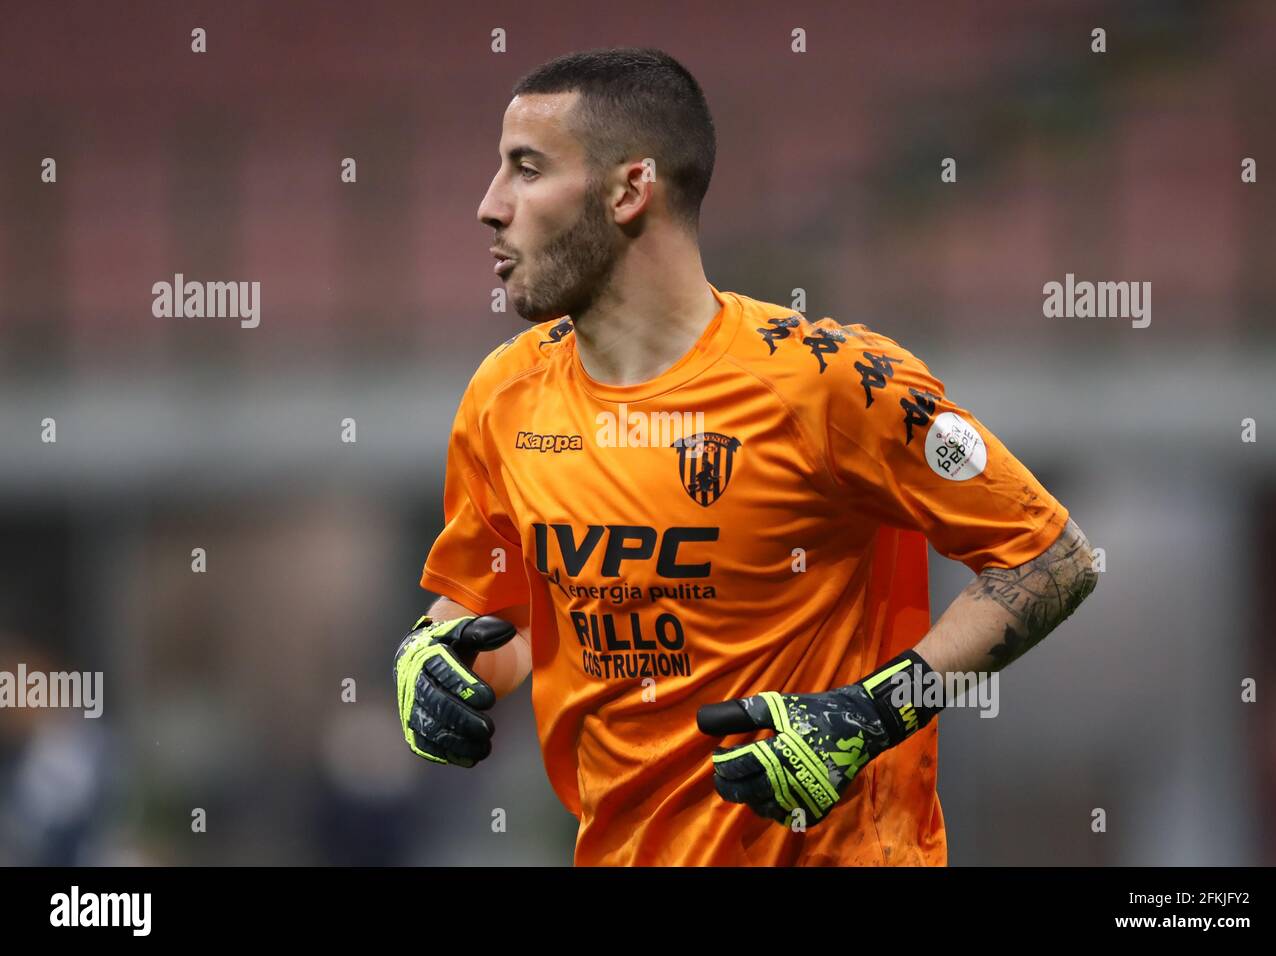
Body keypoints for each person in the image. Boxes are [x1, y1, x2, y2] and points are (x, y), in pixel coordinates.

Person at [393, 47, 1098, 866]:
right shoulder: (504, 394)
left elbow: (1053, 558)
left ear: (630, 189)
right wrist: (431, 659)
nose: (488, 206)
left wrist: (873, 713)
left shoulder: (829, 382)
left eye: (526, 168)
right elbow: (499, 615)